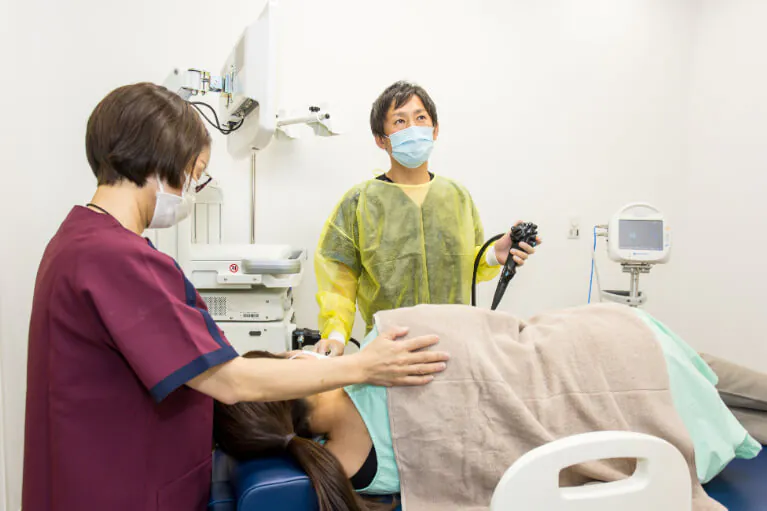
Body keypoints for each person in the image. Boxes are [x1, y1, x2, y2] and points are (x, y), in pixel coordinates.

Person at [22, 82, 449, 511]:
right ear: (160, 157)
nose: (193, 187)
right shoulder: (115, 258)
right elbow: (230, 381)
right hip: (120, 489)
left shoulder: (79, 241)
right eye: (196, 171)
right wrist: (361, 366)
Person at [214, 307, 762, 511]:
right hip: (609, 347)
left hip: (604, 384)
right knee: (724, 389)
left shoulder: (347, 467)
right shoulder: (384, 349)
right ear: (291, 364)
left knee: (729, 404)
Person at [313, 81, 540, 356]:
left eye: (420, 118)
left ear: (435, 130)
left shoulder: (457, 196)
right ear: (381, 139)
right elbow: (339, 280)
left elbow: (464, 266)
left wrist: (494, 254)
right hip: (388, 351)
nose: (413, 128)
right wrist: (336, 337)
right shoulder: (360, 202)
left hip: (455, 347)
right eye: (400, 120)